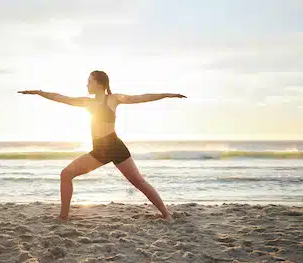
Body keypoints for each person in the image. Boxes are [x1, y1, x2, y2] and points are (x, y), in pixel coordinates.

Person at [18, 70, 187, 221]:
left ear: (99, 83)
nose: (87, 84)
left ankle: (166, 214)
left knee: (138, 182)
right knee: (66, 174)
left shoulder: (113, 99)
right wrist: (39, 93)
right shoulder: (87, 102)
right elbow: (61, 98)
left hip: (114, 146)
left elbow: (141, 98)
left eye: (89, 81)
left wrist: (167, 94)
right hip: (100, 150)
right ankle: (63, 216)